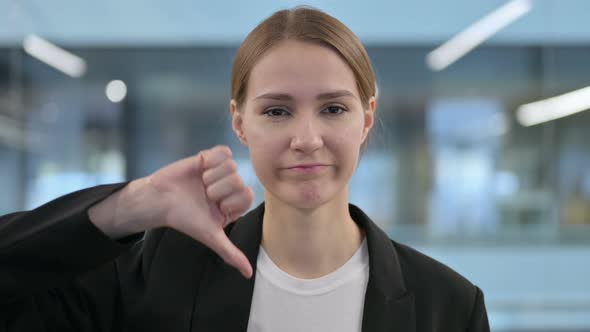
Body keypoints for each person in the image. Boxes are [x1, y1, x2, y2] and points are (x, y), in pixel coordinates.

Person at [0, 6, 490, 332]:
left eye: (334, 109)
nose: (306, 139)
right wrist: (132, 206)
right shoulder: (160, 273)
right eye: (277, 111)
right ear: (240, 124)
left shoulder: (447, 306)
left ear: (367, 119)